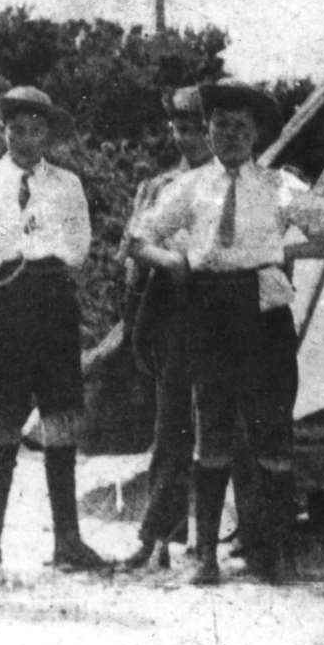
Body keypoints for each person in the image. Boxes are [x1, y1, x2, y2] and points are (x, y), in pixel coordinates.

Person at [128, 80, 324, 585]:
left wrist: (284, 252)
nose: (230, 135)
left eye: (241, 127)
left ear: (256, 134)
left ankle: (273, 552)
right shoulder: (188, 187)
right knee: (213, 430)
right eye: (221, 125)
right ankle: (205, 555)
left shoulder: (278, 185)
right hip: (208, 309)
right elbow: (137, 239)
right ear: (208, 130)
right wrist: (174, 261)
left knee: (271, 430)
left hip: (263, 313)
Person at [0, 86, 110, 575]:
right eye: (16, 128)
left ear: (48, 133)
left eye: (35, 128)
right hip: (4, 306)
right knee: (3, 420)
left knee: (60, 419)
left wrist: (44, 285)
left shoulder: (68, 185)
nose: (25, 138)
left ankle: (68, 541)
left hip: (53, 302)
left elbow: (78, 249)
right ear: (4, 130)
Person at [117, 87, 214, 571]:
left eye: (198, 127)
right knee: (171, 423)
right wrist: (134, 316)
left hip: (219, 302)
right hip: (171, 305)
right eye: (181, 127)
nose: (190, 137)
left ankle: (222, 537)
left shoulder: (229, 179)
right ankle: (160, 536)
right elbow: (132, 255)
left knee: (219, 421)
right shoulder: (158, 185)